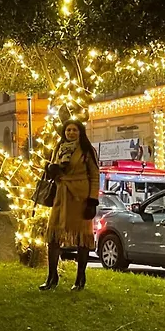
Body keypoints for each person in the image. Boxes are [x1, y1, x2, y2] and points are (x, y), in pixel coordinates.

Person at [40, 119, 99, 292]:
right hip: (61, 196)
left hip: (80, 198)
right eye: (68, 130)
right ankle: (52, 277)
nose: (71, 133)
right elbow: (52, 171)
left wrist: (92, 200)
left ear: (80, 132)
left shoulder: (87, 150)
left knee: (82, 239)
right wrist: (50, 169)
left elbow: (95, 176)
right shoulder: (58, 148)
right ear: (64, 133)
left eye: (74, 130)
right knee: (53, 237)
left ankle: (80, 278)